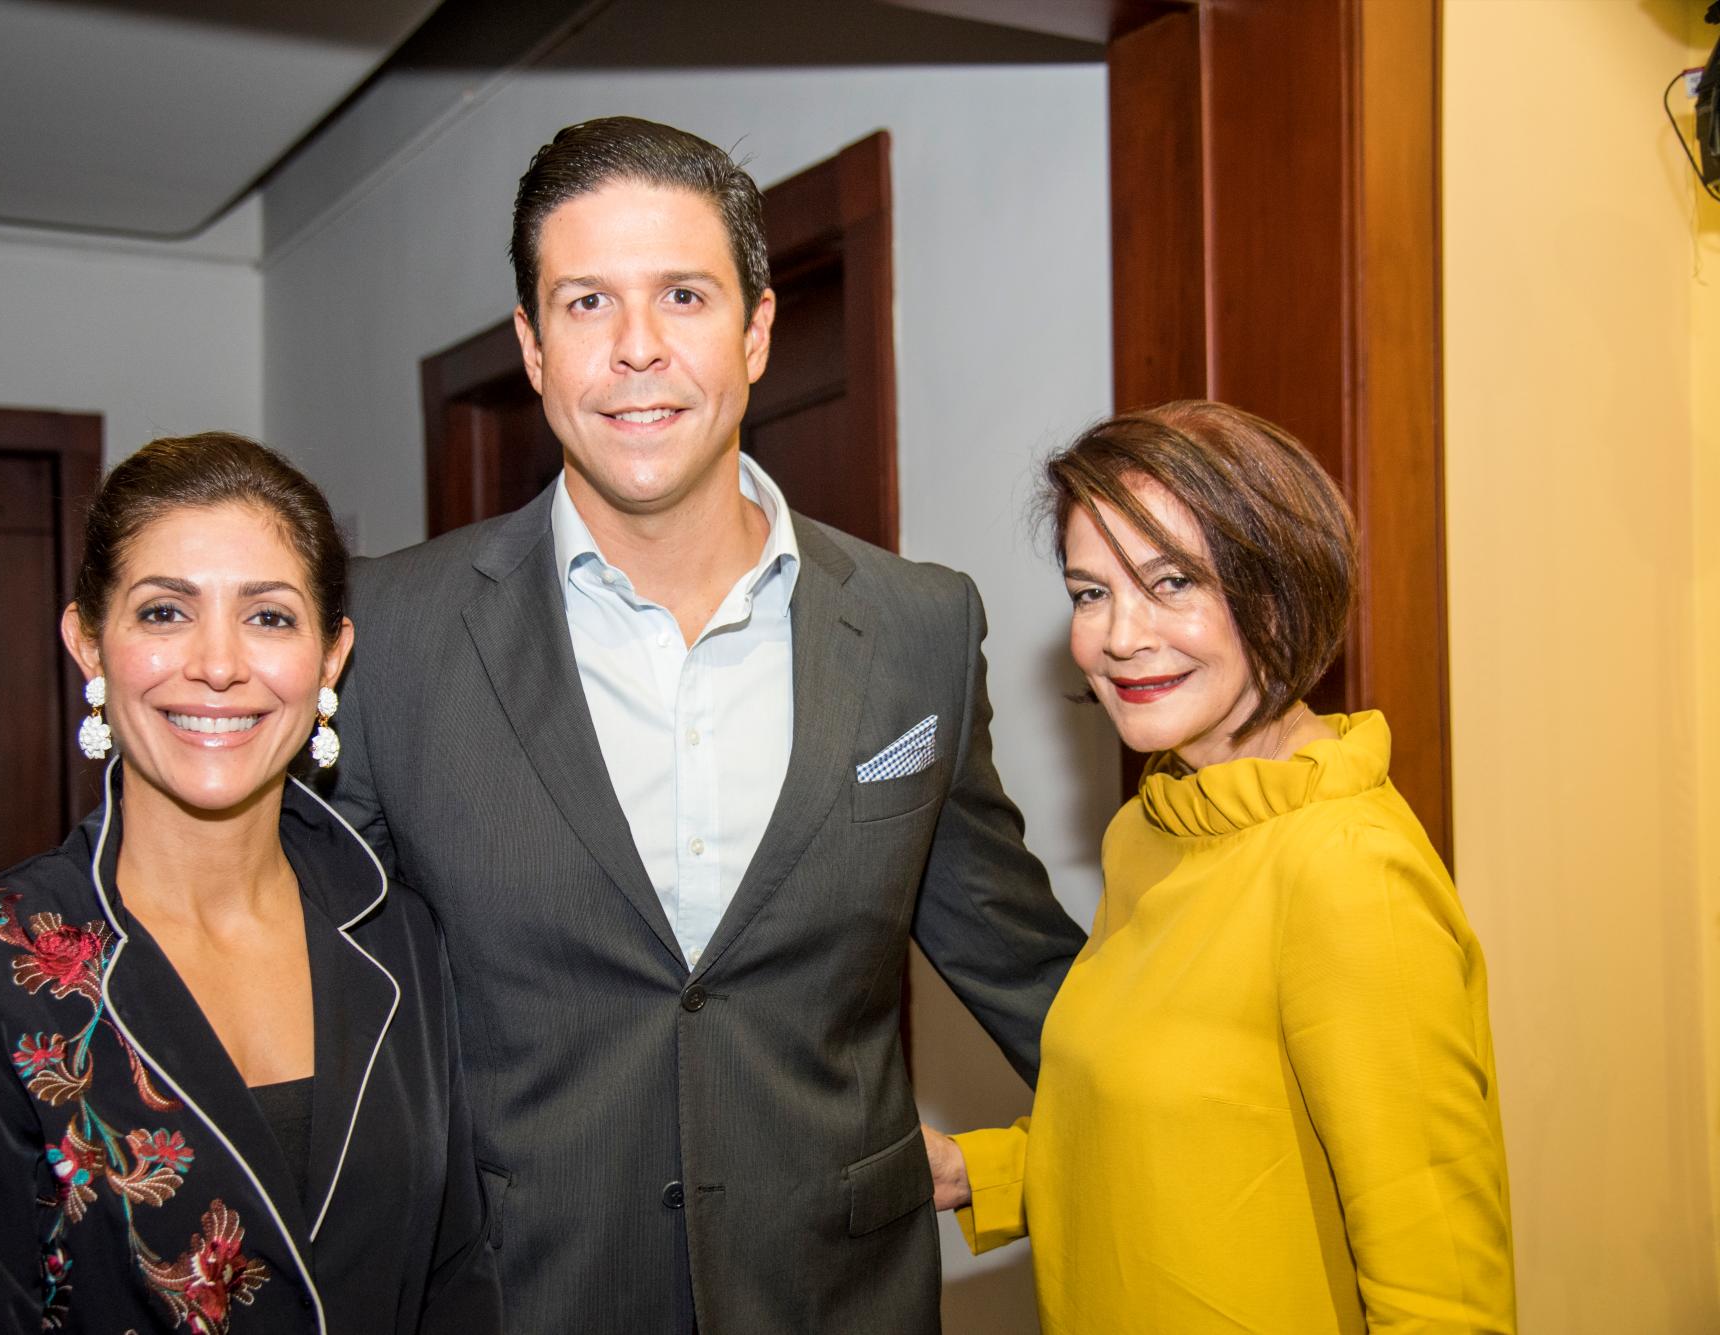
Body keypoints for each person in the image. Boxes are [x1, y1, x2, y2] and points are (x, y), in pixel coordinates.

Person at [327, 116, 1086, 1334]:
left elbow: (1037, 979)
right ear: (529, 347)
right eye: (584, 304)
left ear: (757, 332)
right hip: (517, 1299)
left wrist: (1220, 1120)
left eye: (682, 295)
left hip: (840, 1302)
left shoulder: (915, 629)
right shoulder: (388, 631)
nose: (636, 351)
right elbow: (315, 997)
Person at [0, 433, 499, 1334]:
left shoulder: (397, 934)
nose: (219, 663)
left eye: (269, 616)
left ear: (331, 657)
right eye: (164, 613)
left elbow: (456, 1278)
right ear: (88, 641)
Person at [927, 400, 1515, 1333]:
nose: (1119, 635)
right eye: (1090, 592)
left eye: (1171, 582)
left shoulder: (1345, 870)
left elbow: (1443, 1293)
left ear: (1279, 591)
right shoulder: (1151, 829)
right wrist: (975, 1172)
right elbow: (1186, 1147)